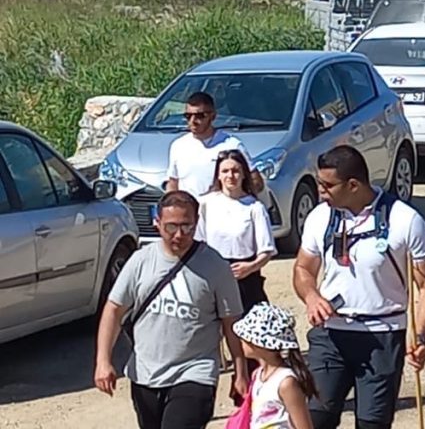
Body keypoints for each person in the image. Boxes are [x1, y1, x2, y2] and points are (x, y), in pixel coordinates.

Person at [293, 145, 425, 428]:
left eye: (327, 185)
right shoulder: (320, 217)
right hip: (331, 333)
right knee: (315, 418)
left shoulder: (405, 220)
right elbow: (302, 268)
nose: (320, 191)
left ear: (353, 185)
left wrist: (421, 338)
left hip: (382, 336)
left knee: (372, 424)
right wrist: (311, 297)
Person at [94, 191, 248, 429]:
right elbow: (113, 309)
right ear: (157, 223)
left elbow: (232, 323)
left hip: (195, 372)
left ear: (197, 223)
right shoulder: (141, 261)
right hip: (145, 374)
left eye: (187, 227)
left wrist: (241, 372)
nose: (179, 235)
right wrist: (103, 361)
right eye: (171, 227)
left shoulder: (215, 266)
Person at [197, 150, 276, 315]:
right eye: (225, 171)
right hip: (214, 275)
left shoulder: (255, 208)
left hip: (246, 278)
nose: (230, 176)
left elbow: (266, 250)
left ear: (243, 175)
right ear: (218, 175)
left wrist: (250, 267)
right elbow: (198, 242)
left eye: (235, 171)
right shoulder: (206, 204)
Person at [232, 302, 317, 429]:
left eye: (245, 337)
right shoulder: (258, 374)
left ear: (259, 344)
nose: (241, 341)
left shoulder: (286, 383)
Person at [166, 91, 263, 199]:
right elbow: (173, 182)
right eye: (188, 116)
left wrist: (230, 195)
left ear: (213, 116)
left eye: (200, 116)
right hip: (190, 212)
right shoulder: (178, 146)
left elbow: (257, 183)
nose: (193, 121)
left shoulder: (231, 145)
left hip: (222, 211)